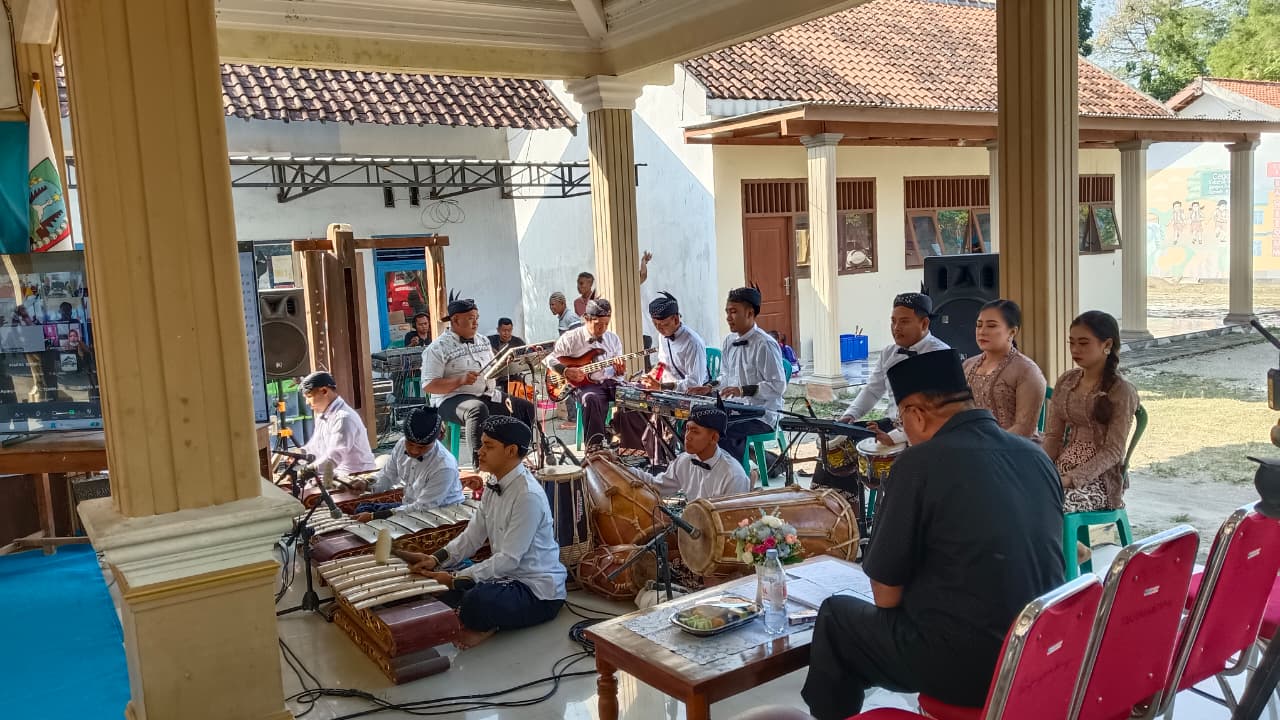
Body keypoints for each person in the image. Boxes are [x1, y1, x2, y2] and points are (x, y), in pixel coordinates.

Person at [801, 350, 1065, 719]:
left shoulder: (917, 464)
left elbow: (885, 596)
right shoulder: (1035, 456)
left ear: (917, 415)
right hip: (1041, 649)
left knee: (837, 618)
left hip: (968, 667)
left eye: (902, 420)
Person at [402, 416, 566, 649]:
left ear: (510, 451)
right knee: (439, 581)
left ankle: (485, 623)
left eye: (488, 446)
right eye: (482, 444)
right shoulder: (493, 484)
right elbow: (473, 536)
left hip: (536, 591)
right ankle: (476, 612)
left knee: (476, 600)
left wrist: (456, 581)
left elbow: (509, 559)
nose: (480, 451)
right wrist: (435, 559)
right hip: (504, 577)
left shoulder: (527, 496)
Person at [421, 292, 536, 467]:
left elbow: (493, 368)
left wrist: (506, 365)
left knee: (526, 408)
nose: (476, 322)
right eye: (470, 318)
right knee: (476, 409)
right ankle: (480, 466)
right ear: (456, 320)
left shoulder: (482, 340)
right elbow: (429, 385)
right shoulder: (437, 348)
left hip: (487, 394)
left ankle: (517, 458)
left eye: (477, 317)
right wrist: (460, 380)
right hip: (451, 400)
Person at [1043, 310, 1139, 514]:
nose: (1075, 349)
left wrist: (1072, 479)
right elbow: (1053, 436)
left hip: (1098, 480)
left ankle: (1071, 547)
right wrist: (1041, 467)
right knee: (1015, 492)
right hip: (1060, 468)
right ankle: (1076, 548)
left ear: (1107, 345)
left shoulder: (1121, 390)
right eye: (1071, 342)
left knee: (1046, 503)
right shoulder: (1067, 381)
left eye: (1084, 343)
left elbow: (1113, 452)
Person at [838, 292, 950, 446]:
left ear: (924, 324)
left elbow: (939, 411)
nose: (896, 328)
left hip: (927, 433)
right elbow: (872, 390)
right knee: (840, 440)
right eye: (893, 321)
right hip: (893, 423)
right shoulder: (888, 353)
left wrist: (895, 438)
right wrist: (850, 415)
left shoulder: (941, 355)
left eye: (904, 322)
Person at [689, 286, 786, 461]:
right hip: (735, 409)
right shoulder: (728, 342)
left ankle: (734, 478)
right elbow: (725, 376)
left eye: (733, 312)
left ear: (749, 313)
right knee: (697, 420)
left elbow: (777, 386)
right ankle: (711, 472)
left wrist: (742, 390)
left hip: (762, 414)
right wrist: (709, 387)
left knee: (722, 429)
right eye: (727, 312)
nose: (728, 317)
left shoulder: (765, 344)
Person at [543, 298, 645, 450]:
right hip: (584, 386)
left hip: (609, 383)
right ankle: (594, 447)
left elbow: (618, 377)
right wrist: (565, 371)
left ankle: (634, 446)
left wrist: (619, 372)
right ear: (586, 319)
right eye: (598, 324)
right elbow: (548, 359)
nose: (603, 328)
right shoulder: (571, 338)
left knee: (638, 394)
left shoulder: (613, 339)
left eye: (606, 324)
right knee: (590, 399)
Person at [350, 406, 465, 521]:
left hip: (439, 514)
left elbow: (423, 508)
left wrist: (374, 517)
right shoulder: (401, 445)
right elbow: (387, 475)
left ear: (435, 441)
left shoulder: (444, 466)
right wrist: (366, 484)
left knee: (375, 527)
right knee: (363, 508)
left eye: (422, 447)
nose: (414, 451)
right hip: (411, 506)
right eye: (410, 444)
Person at [611, 405, 749, 501]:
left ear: (713, 438)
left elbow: (732, 524)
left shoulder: (733, 476)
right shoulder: (684, 461)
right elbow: (656, 485)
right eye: (687, 429)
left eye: (695, 431)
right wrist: (618, 466)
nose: (687, 436)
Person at [961, 299, 1047, 439]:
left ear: (1012, 332)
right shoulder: (967, 365)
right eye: (979, 325)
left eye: (991, 326)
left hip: (1014, 448)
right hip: (972, 443)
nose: (982, 332)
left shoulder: (1027, 371)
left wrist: (987, 446)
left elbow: (1024, 428)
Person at [299, 370, 377, 478]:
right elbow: (315, 447)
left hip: (357, 478)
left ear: (324, 391)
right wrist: (299, 454)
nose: (307, 402)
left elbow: (334, 457)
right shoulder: (322, 416)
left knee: (307, 492)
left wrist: (308, 470)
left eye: (309, 396)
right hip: (337, 474)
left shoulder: (344, 418)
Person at [639, 291, 708, 394]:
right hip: (668, 393)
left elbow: (695, 383)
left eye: (664, 324)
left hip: (692, 395)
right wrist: (653, 377)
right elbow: (663, 363)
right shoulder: (663, 336)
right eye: (655, 324)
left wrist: (662, 387)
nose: (659, 329)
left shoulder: (693, 343)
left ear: (676, 320)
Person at [488, 317, 526, 391]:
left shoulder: (519, 342)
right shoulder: (490, 341)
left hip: (513, 375)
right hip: (496, 376)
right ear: (498, 330)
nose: (507, 333)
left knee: (521, 391)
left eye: (509, 330)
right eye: (504, 330)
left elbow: (523, 360)